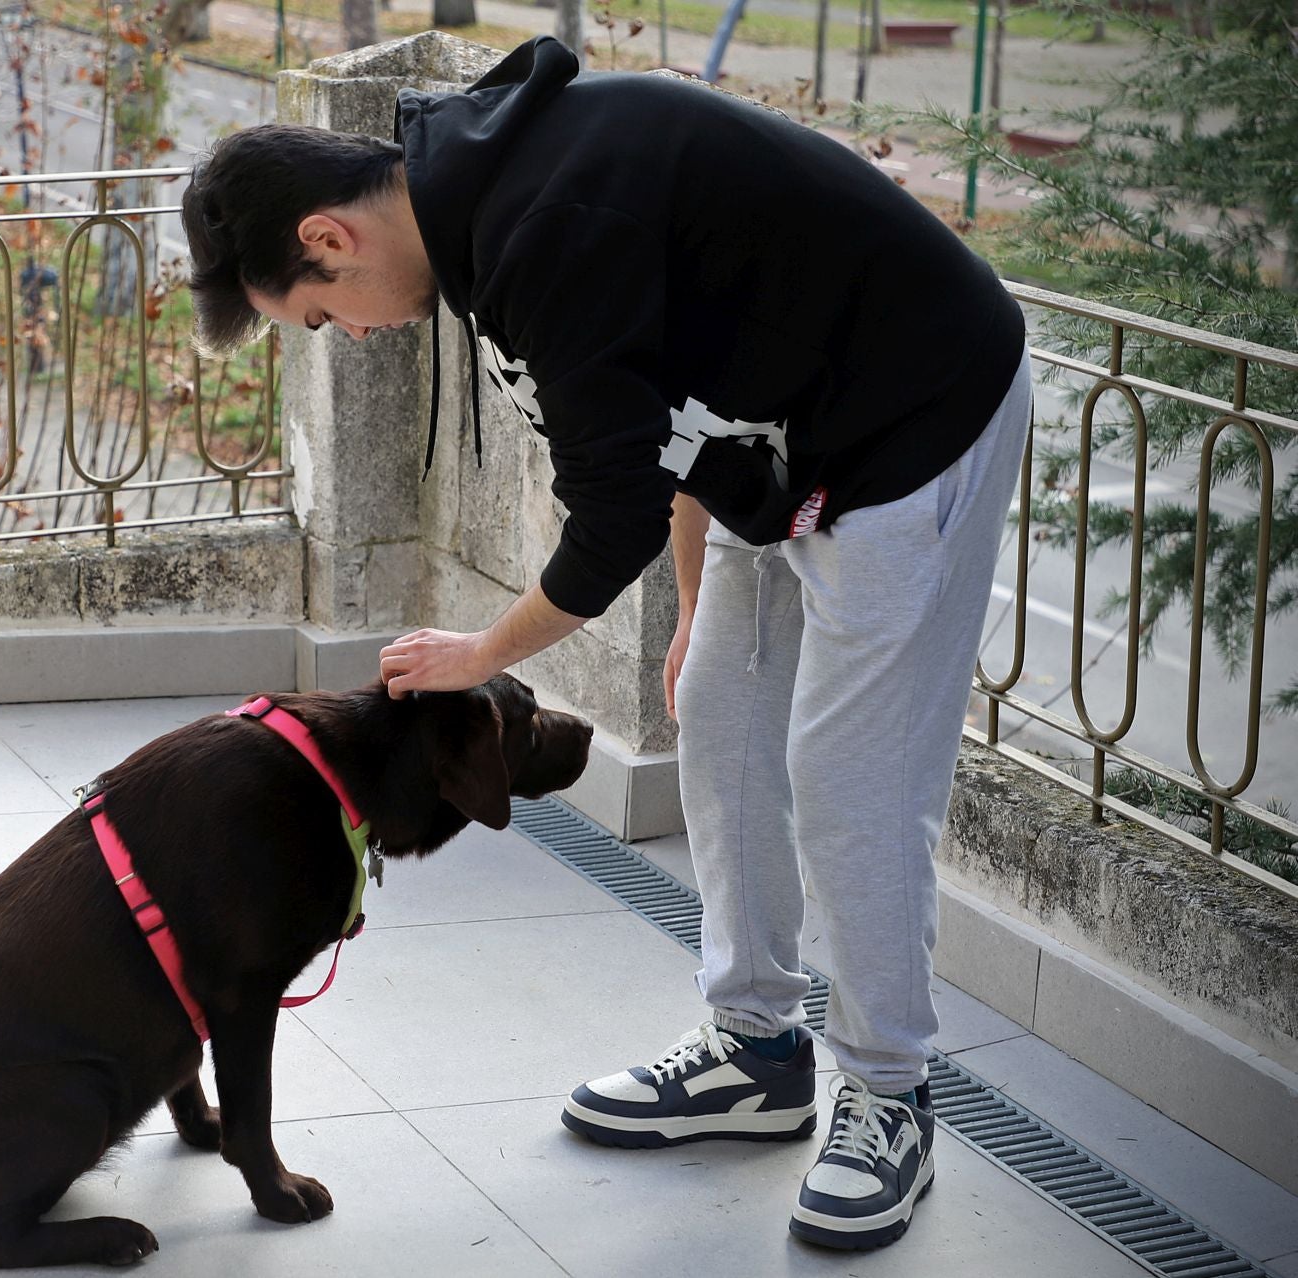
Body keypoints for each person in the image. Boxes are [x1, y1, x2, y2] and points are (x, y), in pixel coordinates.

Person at [180, 35, 1030, 1251]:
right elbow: (659, 403)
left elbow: (610, 513)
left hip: (915, 416)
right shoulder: (479, 207)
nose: (350, 337)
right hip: (779, 444)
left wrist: (482, 652)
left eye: (320, 318)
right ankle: (756, 1051)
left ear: (328, 237)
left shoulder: (540, 224)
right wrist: (699, 603)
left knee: (851, 783)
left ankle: (890, 1094)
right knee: (725, 724)